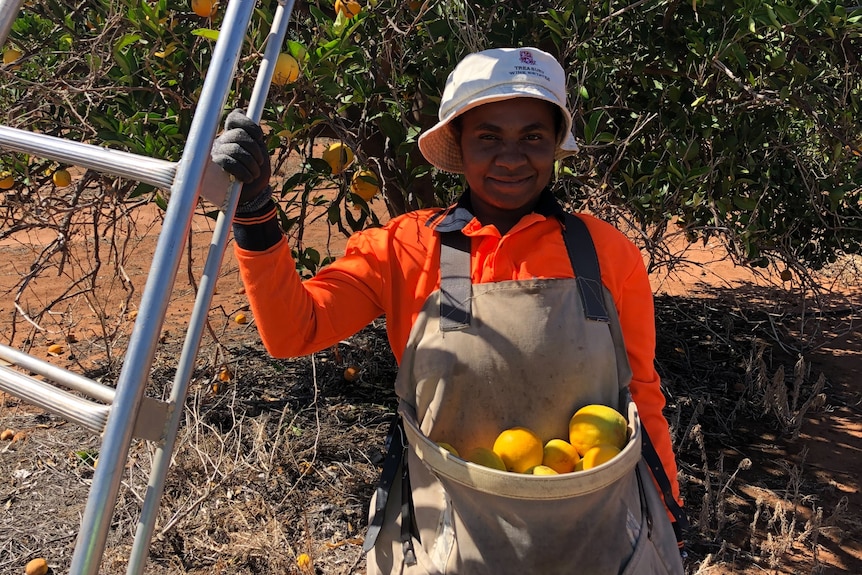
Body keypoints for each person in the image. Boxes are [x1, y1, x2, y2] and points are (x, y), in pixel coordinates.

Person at [212, 46, 686, 574]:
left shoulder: (605, 252)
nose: (511, 157)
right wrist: (255, 213)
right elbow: (293, 332)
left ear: (556, 145)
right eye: (488, 137)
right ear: (460, 145)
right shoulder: (406, 247)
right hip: (452, 540)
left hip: (594, 538)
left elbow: (639, 392)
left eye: (532, 136)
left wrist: (666, 515)